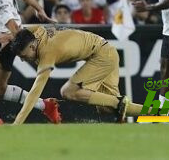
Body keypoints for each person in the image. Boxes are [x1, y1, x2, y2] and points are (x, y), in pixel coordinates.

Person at [10, 26, 144, 124]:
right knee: (106, 108)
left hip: (102, 55)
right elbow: (19, 31)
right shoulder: (35, 32)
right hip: (105, 50)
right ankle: (162, 112)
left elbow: (35, 92)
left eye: (23, 56)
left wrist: (17, 123)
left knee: (68, 91)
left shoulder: (48, 52)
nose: (23, 60)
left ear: (32, 47)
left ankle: (120, 102)